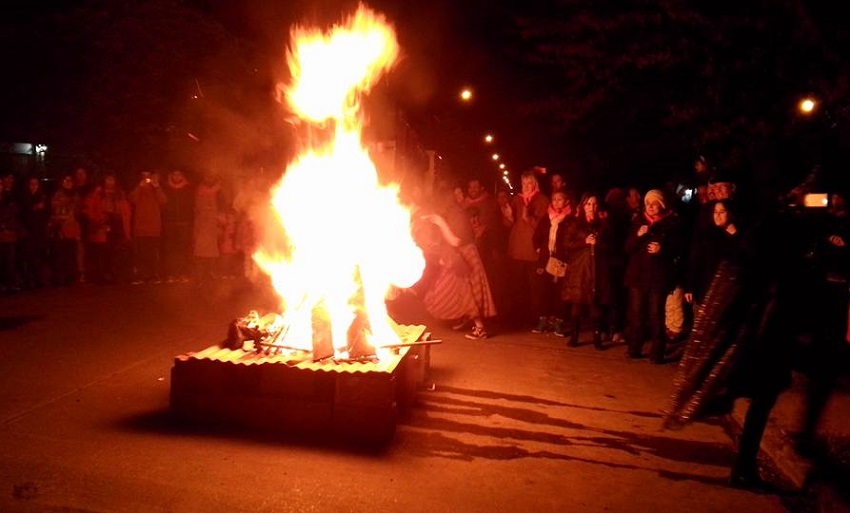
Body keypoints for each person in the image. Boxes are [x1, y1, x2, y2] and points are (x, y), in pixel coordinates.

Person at [624, 189, 683, 362]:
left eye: (654, 203)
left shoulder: (672, 223)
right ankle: (634, 348)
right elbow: (627, 248)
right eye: (648, 203)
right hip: (637, 276)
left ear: (662, 204)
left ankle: (657, 352)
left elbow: (679, 248)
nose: (650, 207)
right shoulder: (638, 221)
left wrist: (662, 249)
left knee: (656, 315)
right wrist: (638, 236)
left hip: (658, 277)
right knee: (636, 313)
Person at [561, 192, 614, 349]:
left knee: (595, 304)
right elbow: (566, 245)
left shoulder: (603, 225)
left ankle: (597, 339)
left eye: (594, 204)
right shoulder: (575, 224)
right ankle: (574, 337)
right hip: (580, 269)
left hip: (597, 270)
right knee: (577, 303)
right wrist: (583, 242)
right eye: (588, 204)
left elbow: (611, 247)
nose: (592, 207)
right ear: (583, 206)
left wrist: (598, 244)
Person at [506, 170, 550, 328]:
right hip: (516, 249)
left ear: (535, 184)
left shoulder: (542, 200)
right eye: (523, 183)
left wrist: (528, 218)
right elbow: (510, 224)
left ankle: (535, 318)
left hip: (532, 251)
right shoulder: (516, 199)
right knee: (516, 285)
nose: (526, 186)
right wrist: (509, 217)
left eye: (529, 183)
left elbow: (542, 227)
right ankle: (516, 317)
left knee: (535, 288)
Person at [530, 190, 572, 335]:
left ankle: (558, 321)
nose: (556, 202)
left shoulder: (569, 219)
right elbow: (536, 237)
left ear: (566, 201)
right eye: (554, 199)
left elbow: (571, 240)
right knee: (543, 291)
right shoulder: (546, 218)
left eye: (560, 199)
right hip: (545, 260)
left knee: (559, 292)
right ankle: (543, 320)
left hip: (561, 261)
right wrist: (539, 250)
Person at [129, 171, 167, 283]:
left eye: (148, 176)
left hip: (154, 227)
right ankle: (141, 275)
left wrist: (157, 187)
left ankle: (153, 275)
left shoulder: (156, 189)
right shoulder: (138, 189)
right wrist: (139, 187)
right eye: (144, 176)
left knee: (153, 253)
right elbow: (132, 199)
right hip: (141, 227)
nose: (146, 178)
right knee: (141, 253)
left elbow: (163, 200)